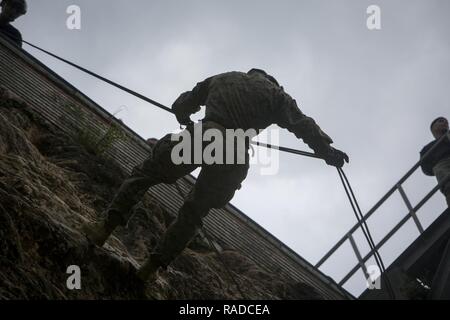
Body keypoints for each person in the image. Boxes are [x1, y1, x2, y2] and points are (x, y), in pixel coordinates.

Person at [82, 69, 349, 281]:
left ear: (250, 73)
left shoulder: (225, 77)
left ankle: (102, 230)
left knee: (145, 175)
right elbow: (303, 126)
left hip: (207, 134)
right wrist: (327, 152)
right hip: (235, 154)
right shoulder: (277, 96)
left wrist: (185, 118)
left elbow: (184, 103)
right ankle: (150, 269)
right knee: (194, 212)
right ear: (270, 81)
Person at [420, 117, 450, 206]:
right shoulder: (428, 148)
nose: (445, 123)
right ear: (433, 129)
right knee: (441, 171)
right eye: (441, 121)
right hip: (442, 164)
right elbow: (426, 167)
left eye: (446, 122)